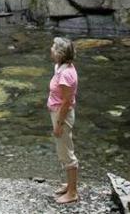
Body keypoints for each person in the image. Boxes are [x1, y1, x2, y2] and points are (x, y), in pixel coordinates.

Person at [47, 36, 79, 205]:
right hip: (58, 112)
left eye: (53, 47)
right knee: (63, 150)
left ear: (60, 53)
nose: (51, 49)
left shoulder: (66, 74)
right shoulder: (61, 67)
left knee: (66, 152)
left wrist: (59, 125)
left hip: (62, 115)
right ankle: (69, 184)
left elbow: (66, 102)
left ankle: (73, 192)